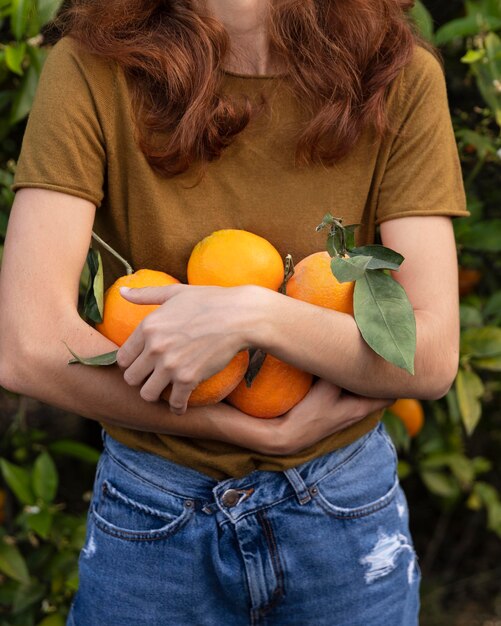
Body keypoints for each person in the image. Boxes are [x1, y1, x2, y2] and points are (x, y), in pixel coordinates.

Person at [0, 0, 469, 624]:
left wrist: (256, 316)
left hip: (341, 509)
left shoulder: (395, 73)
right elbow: (28, 347)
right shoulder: (93, 65)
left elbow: (428, 356)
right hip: (154, 505)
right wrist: (248, 431)